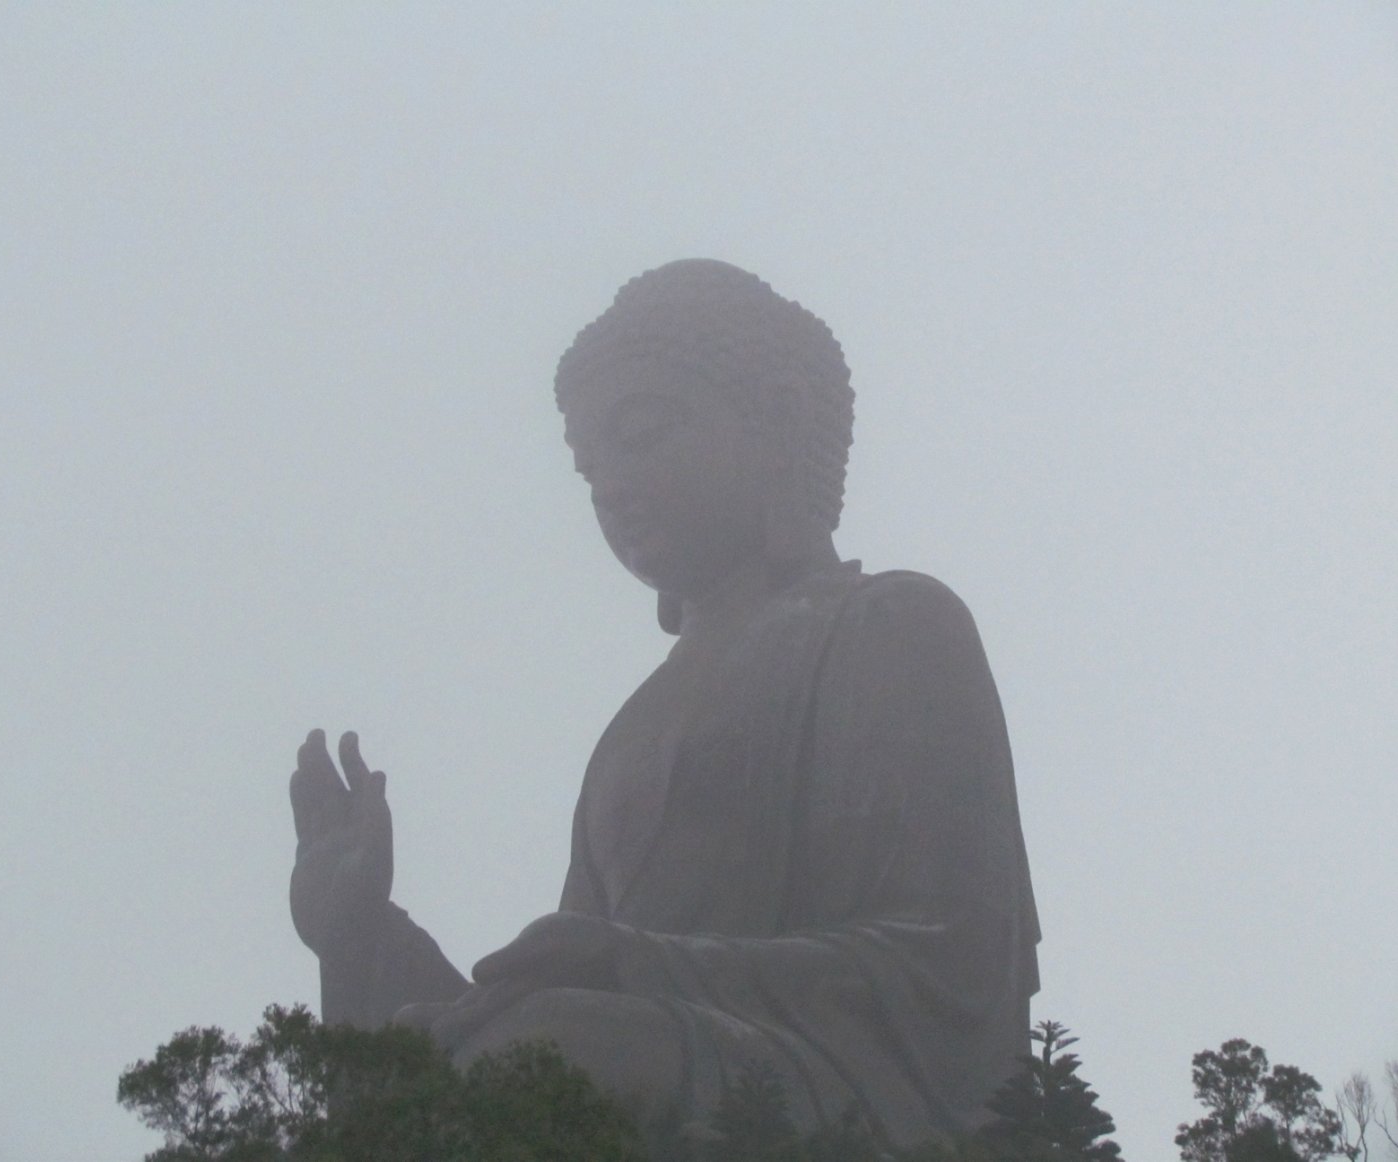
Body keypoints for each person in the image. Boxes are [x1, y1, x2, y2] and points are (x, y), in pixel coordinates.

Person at [287, 259, 1040, 1150]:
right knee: (435, 1072)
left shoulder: (890, 626)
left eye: (642, 433)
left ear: (782, 420)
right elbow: (531, 1004)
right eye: (588, 464)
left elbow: (950, 966)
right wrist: (362, 934)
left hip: (832, 1087)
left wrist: (634, 966)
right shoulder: (629, 733)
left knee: (561, 1045)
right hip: (639, 1047)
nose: (609, 485)